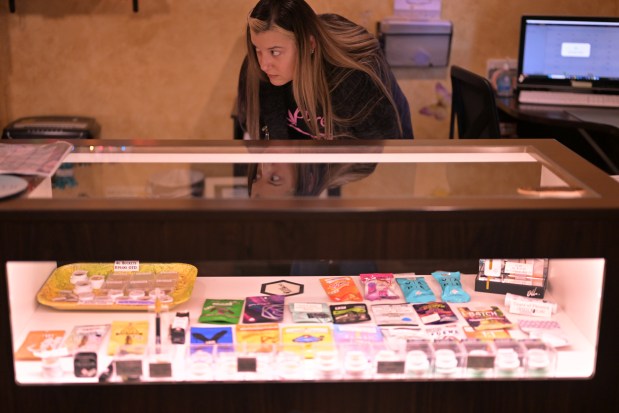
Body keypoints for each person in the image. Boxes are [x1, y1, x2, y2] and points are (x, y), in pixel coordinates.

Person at [236, 0, 413, 140]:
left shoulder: (354, 76)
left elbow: (378, 153)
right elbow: (260, 134)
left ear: (309, 44)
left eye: (275, 52)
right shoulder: (256, 67)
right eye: (257, 49)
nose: (264, 64)